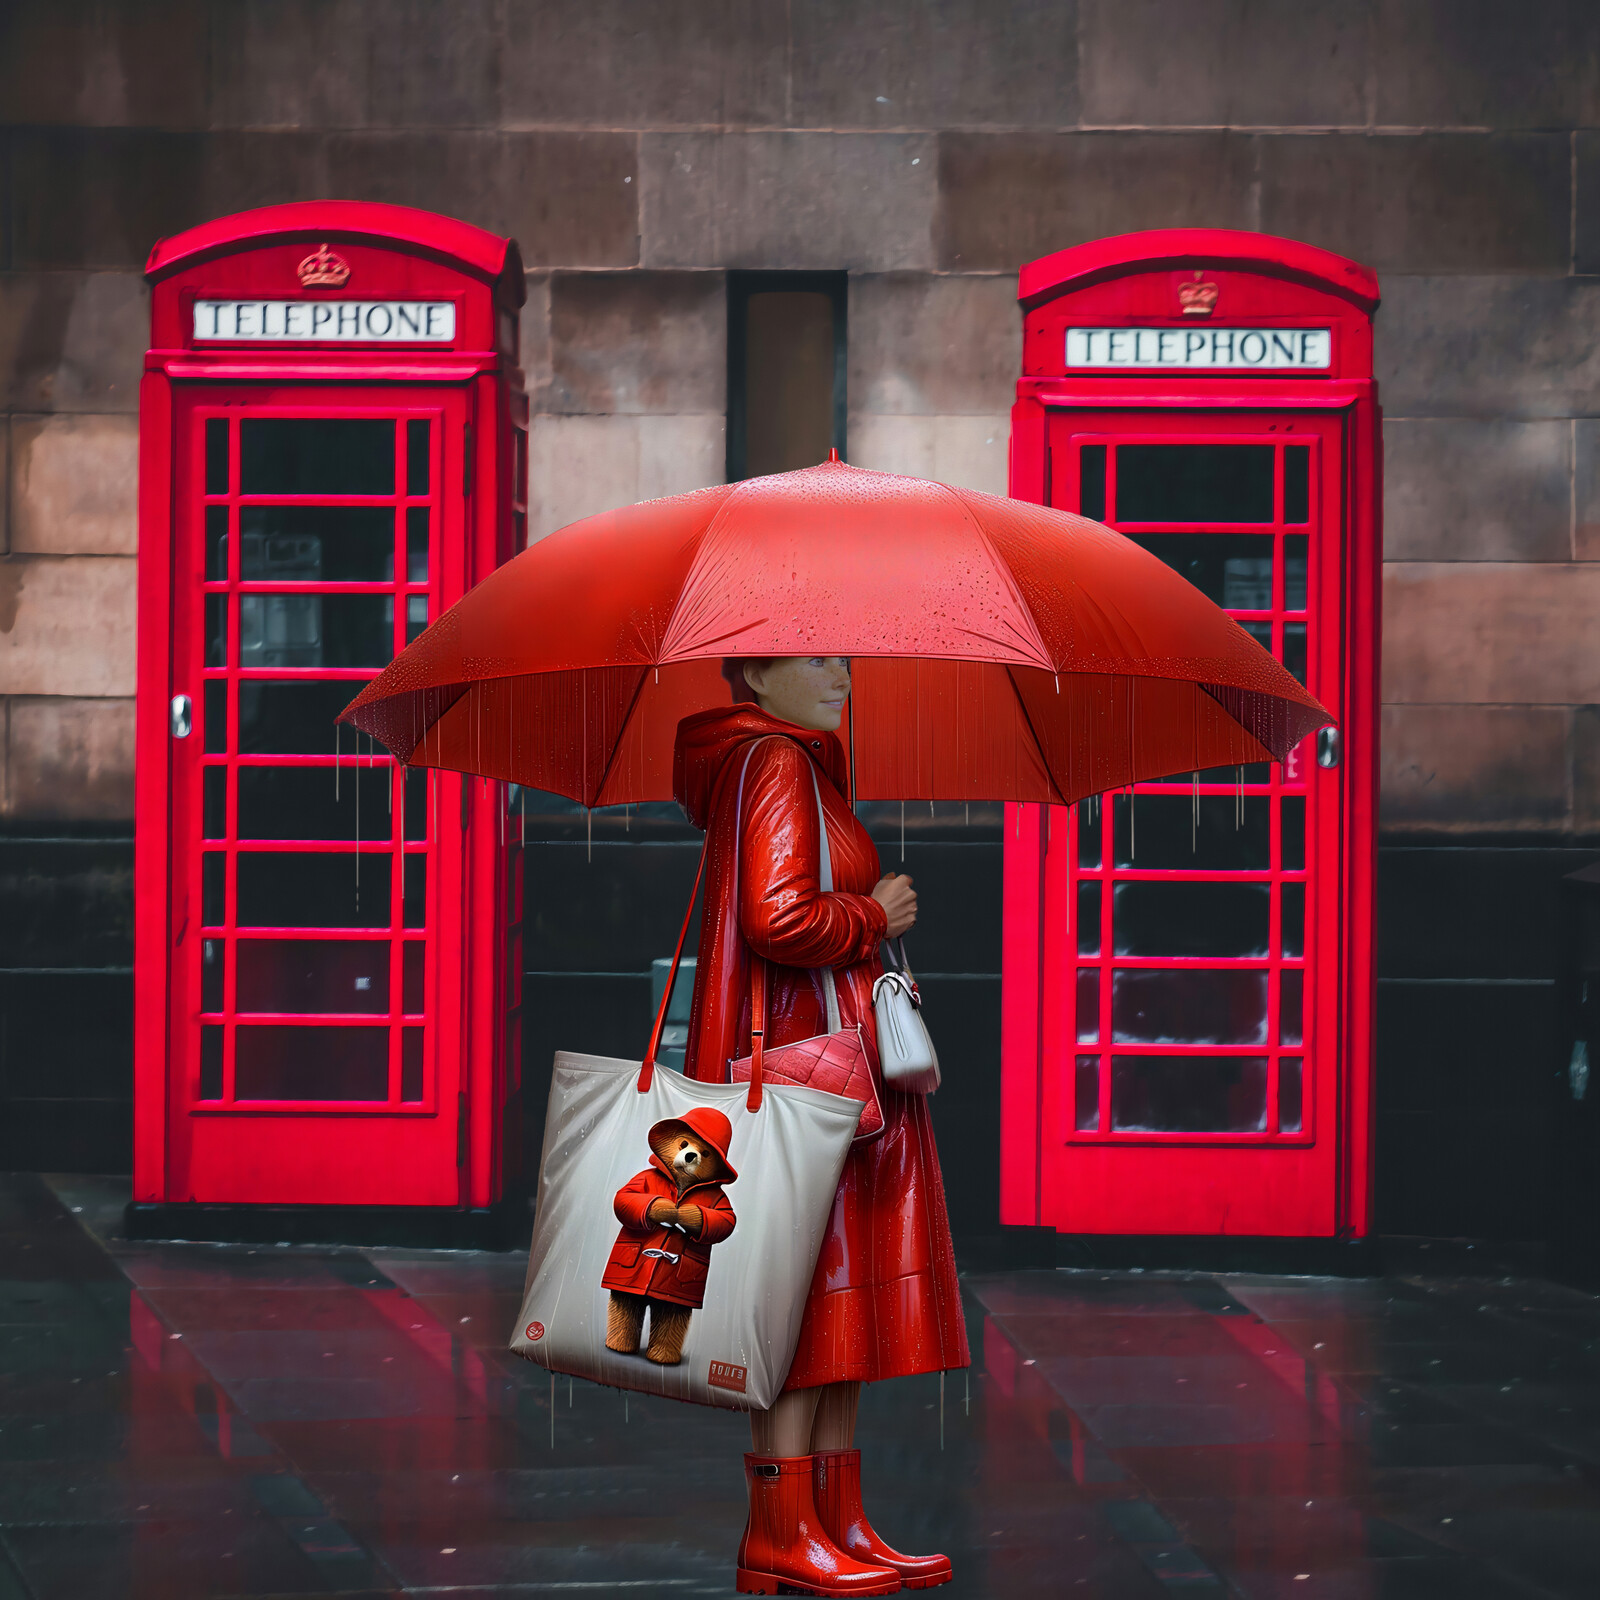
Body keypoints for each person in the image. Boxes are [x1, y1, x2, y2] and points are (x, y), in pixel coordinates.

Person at [674, 655, 969, 1596]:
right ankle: (780, 1533)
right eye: (817, 660)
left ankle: (835, 1521)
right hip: (805, 1064)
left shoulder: (800, 756)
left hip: (829, 1061)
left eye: (843, 658)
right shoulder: (773, 762)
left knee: (837, 1295)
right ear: (756, 673)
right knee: (798, 1303)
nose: (842, 674)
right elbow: (777, 919)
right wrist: (871, 913)